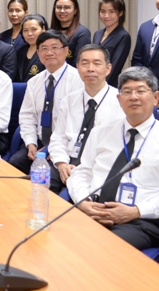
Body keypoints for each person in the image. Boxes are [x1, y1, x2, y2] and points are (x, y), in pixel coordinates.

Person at [69, 66, 159, 250]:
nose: (133, 97)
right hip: (93, 210)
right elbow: (82, 173)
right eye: (127, 92)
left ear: (156, 98)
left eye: (141, 91)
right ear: (119, 100)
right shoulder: (101, 133)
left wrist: (136, 211)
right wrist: (83, 202)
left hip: (139, 221)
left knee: (97, 247)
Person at [9, 30, 84, 177]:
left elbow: (77, 123)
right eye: (44, 48)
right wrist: (31, 143)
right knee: (14, 164)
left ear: (66, 50)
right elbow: (27, 116)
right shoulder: (34, 82)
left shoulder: (78, 80)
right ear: (38, 53)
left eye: (55, 47)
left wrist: (52, 148)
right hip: (38, 141)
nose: (49, 53)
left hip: (65, 144)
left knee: (45, 176)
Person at [49, 44, 126, 186]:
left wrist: (83, 170)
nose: (90, 69)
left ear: (108, 68)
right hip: (66, 162)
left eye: (97, 63)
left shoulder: (120, 102)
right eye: (84, 63)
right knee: (38, 186)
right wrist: (61, 163)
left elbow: (118, 147)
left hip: (96, 169)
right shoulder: (69, 100)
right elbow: (58, 138)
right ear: (78, 67)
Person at [93, 0, 131, 86]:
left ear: (120, 13)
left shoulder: (123, 36)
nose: (106, 16)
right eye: (103, 11)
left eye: (111, 11)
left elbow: (115, 67)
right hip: (94, 82)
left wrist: (100, 85)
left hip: (109, 85)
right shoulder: (97, 34)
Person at [51, 0, 91, 65]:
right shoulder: (50, 32)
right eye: (59, 7)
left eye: (67, 7)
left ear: (75, 10)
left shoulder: (82, 32)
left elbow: (79, 61)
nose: (62, 11)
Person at [13, 14, 48, 83]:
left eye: (34, 29)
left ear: (43, 29)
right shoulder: (18, 51)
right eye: (25, 30)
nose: (29, 34)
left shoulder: (48, 52)